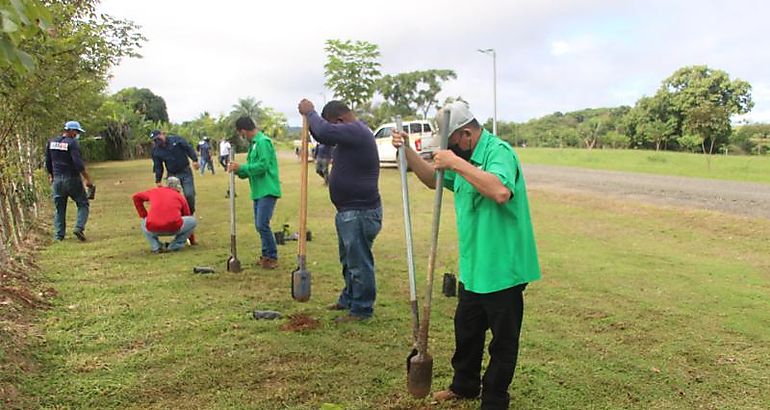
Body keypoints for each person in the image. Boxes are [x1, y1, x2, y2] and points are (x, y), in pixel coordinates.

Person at [392, 101, 541, 409]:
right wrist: (407, 150)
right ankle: (465, 386)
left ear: (467, 135)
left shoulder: (498, 152)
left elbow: (500, 191)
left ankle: (495, 398)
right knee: (467, 332)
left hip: (503, 270)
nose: (450, 151)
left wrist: (456, 163)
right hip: (474, 268)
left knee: (502, 341)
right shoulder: (465, 159)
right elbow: (431, 178)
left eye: (451, 144)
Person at [297, 99, 382, 323]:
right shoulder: (351, 134)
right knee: (349, 260)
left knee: (358, 262)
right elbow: (321, 133)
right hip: (350, 211)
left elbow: (324, 132)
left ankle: (362, 309)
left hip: (359, 212)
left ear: (340, 120)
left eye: (334, 126)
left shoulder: (356, 131)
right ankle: (349, 299)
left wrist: (310, 112)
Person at [228, 117, 282, 269]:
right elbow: (251, 169)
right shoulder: (253, 145)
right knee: (260, 226)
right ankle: (266, 255)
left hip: (267, 189)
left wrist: (242, 168)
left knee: (262, 224)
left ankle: (272, 256)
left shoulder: (263, 142)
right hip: (258, 191)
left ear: (243, 131)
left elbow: (263, 166)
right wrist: (238, 170)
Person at [45, 120, 94, 241]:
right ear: (71, 131)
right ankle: (79, 228)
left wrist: (51, 175)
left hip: (57, 179)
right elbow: (78, 164)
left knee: (59, 208)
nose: (77, 134)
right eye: (76, 132)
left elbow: (48, 161)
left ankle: (58, 235)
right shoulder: (72, 143)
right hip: (72, 179)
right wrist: (87, 179)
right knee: (83, 204)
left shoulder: (51, 142)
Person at [132, 177, 197, 253]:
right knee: (192, 220)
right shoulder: (180, 197)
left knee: (144, 220)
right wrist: (192, 240)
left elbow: (136, 197)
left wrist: (144, 214)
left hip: (153, 228)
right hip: (173, 228)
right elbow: (187, 215)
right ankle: (175, 245)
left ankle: (156, 246)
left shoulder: (154, 191)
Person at [150, 129, 199, 214]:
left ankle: (190, 213)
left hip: (185, 172)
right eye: (154, 140)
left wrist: (194, 160)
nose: (157, 141)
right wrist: (158, 180)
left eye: (158, 138)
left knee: (189, 194)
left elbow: (188, 148)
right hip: (172, 174)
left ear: (163, 134)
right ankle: (176, 215)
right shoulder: (156, 151)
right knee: (172, 198)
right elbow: (158, 166)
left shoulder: (176, 140)